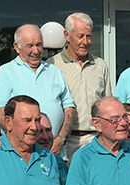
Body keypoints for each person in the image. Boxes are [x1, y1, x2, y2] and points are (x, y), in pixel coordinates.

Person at [0, 24, 75, 155]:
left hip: (54, 152)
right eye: (30, 46)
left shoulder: (54, 71)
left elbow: (69, 108)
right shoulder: (6, 71)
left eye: (39, 45)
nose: (36, 51)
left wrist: (60, 139)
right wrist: (23, 141)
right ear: (17, 47)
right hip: (20, 153)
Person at [48, 12, 112, 163]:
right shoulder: (52, 65)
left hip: (95, 140)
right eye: (80, 36)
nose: (85, 41)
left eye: (88, 36)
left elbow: (107, 105)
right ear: (67, 35)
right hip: (64, 141)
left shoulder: (100, 66)